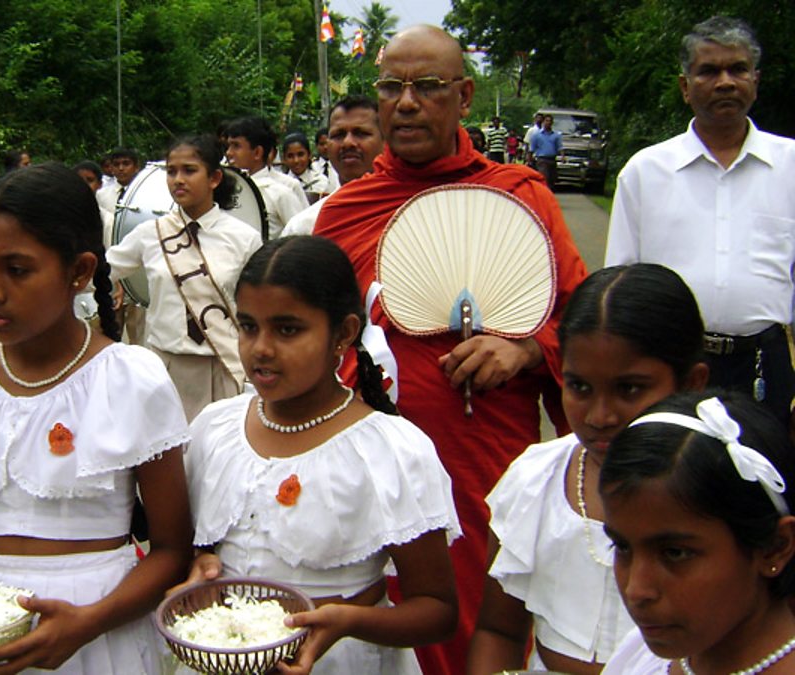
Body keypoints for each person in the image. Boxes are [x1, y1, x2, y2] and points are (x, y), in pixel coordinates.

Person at [315, 25, 588, 675]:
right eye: (391, 87)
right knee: (364, 613)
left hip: (479, 456)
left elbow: (583, 324)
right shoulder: (343, 213)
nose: (406, 103)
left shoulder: (521, 196)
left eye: (428, 88)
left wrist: (525, 349)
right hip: (366, 459)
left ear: (464, 96)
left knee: (475, 619)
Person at [0, 163, 193, 674]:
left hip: (98, 632)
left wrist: (89, 622)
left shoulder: (129, 380)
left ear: (79, 272)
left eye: (17, 270)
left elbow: (172, 550)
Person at [181, 235, 460, 674]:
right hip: (222, 655)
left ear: (343, 333)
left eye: (288, 329)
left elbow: (438, 610)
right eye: (248, 326)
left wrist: (350, 621)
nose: (261, 348)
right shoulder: (215, 429)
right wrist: (201, 566)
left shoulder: (389, 451)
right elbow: (196, 546)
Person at [467, 264, 710, 675]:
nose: (599, 416)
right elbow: (499, 631)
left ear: (691, 385)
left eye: (629, 389)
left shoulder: (723, 494)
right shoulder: (534, 482)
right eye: (579, 387)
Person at [605, 16, 795, 430]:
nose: (726, 81)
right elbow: (620, 284)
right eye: (709, 70)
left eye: (738, 69)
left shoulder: (790, 167)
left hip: (765, 364)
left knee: (765, 485)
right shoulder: (646, 172)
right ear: (685, 87)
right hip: (671, 363)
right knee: (675, 482)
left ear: (756, 80)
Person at [599, 391, 795, 674]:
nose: (636, 590)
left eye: (675, 553)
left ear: (775, 546)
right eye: (621, 547)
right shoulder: (640, 658)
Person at [106, 135, 263, 421]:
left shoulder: (244, 238)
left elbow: (261, 308)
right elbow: (99, 273)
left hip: (222, 366)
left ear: (214, 178)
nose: (178, 179)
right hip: (163, 368)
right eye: (171, 171)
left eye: (189, 170)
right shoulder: (150, 233)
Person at [282, 95, 385, 237]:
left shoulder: (406, 213)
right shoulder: (304, 227)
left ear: (386, 141)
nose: (348, 142)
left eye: (360, 133)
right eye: (338, 135)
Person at [223, 116, 309, 239]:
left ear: (257, 152)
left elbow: (302, 237)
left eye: (236, 146)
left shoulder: (280, 194)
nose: (229, 153)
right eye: (229, 146)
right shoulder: (226, 190)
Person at [280, 132, 331, 201]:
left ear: (309, 155)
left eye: (300, 154)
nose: (296, 160)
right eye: (290, 156)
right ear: (284, 159)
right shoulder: (281, 184)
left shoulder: (321, 181)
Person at [95, 147, 142, 217]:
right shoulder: (100, 195)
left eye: (126, 164)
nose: (121, 168)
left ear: (136, 167)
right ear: (111, 168)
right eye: (116, 164)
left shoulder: (142, 194)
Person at [529, 114, 562, 190]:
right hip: (542, 159)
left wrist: (563, 156)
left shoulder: (556, 135)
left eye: (550, 121)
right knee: (544, 177)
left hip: (552, 159)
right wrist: (529, 159)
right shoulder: (537, 135)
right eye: (546, 121)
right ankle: (544, 193)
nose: (548, 122)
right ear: (543, 122)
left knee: (552, 178)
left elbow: (560, 147)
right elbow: (532, 148)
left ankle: (549, 191)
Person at [313, 127, 342, 192]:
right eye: (321, 144)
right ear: (316, 146)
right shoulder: (312, 168)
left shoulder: (340, 167)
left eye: (327, 143)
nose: (325, 147)